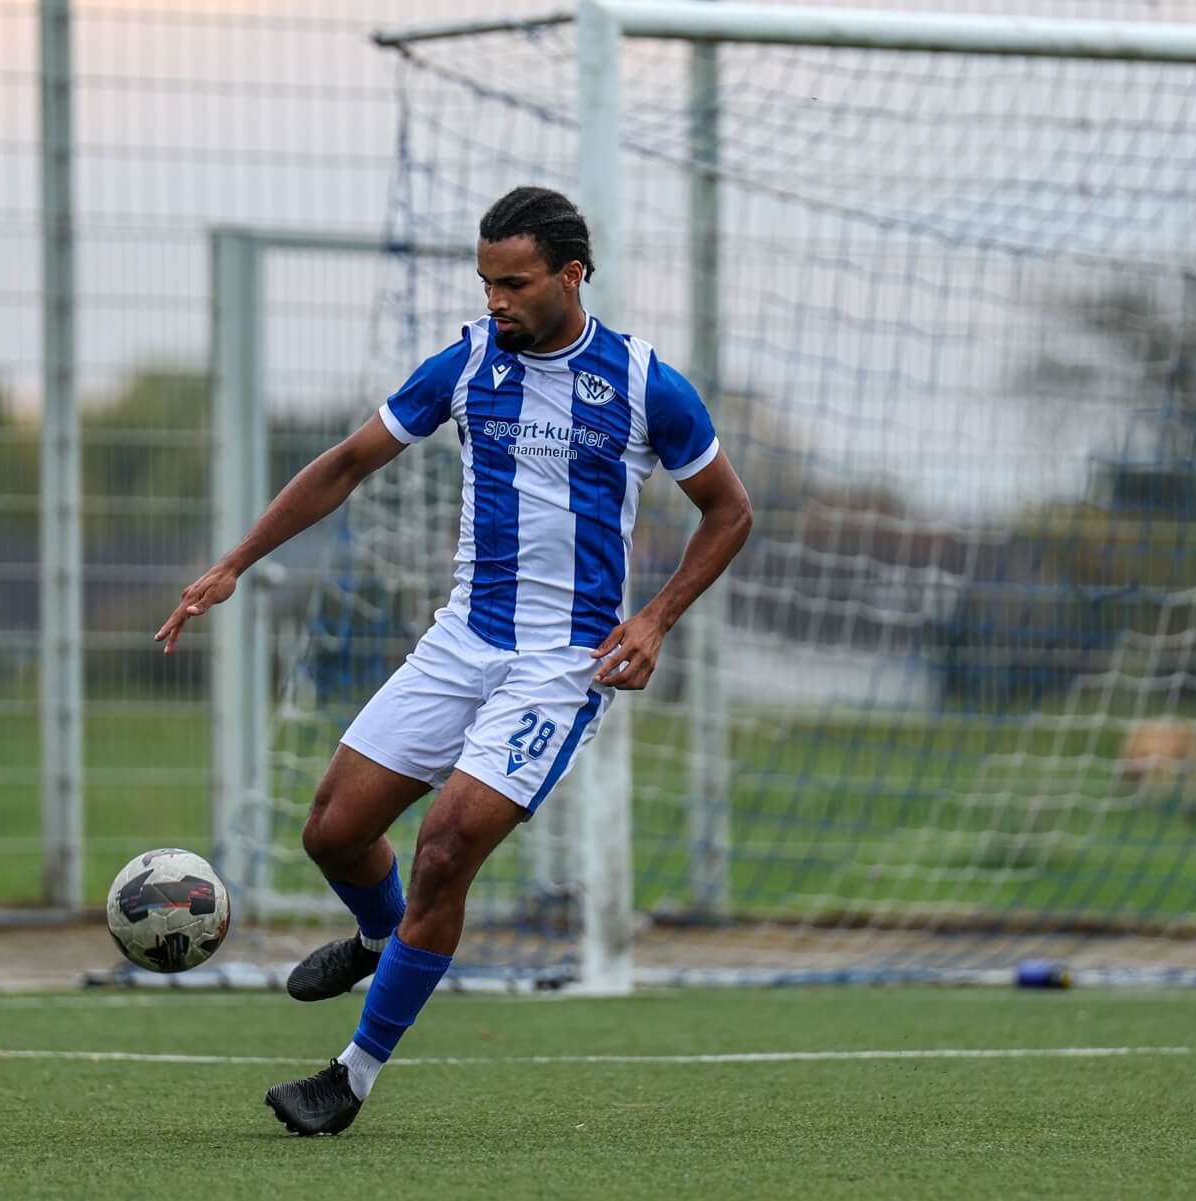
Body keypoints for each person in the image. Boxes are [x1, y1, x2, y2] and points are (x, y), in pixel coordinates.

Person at [156, 186, 753, 1136]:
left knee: (445, 849)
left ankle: (349, 1077)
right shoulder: (469, 363)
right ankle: (380, 933)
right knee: (331, 831)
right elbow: (349, 463)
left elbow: (731, 511)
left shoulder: (645, 384)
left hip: (561, 666)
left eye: (513, 284)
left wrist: (656, 620)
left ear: (571, 274)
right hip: (463, 639)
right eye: (484, 282)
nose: (494, 301)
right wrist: (234, 561)